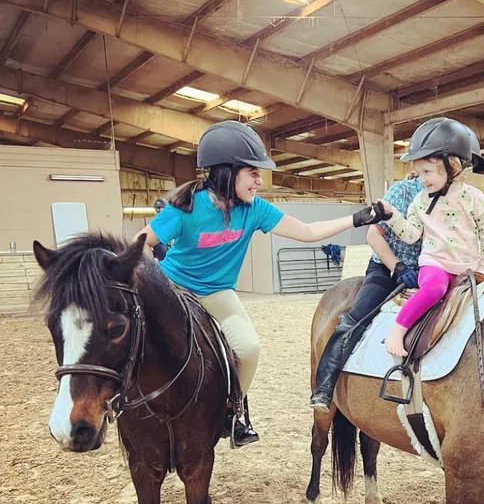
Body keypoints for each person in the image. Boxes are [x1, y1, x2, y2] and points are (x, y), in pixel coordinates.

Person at [133, 120, 385, 447]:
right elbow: (142, 240)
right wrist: (144, 274)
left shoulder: (255, 210)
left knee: (249, 348)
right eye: (253, 173)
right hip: (175, 289)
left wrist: (357, 218)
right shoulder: (185, 208)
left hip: (217, 292)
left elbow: (307, 232)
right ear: (228, 172)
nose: (260, 181)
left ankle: (232, 411)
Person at [308, 123, 484, 412]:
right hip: (391, 267)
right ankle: (325, 386)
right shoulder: (407, 192)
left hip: (442, 268)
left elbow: (464, 235)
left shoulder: (469, 197)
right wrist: (397, 268)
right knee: (356, 318)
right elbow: (375, 234)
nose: (425, 177)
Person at [378, 117, 484, 357]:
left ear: (452, 167)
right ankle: (398, 329)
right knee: (434, 289)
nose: (421, 179)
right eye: (418, 173)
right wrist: (392, 216)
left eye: (427, 172)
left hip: (469, 268)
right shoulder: (420, 201)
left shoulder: (475, 199)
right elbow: (411, 235)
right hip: (435, 265)